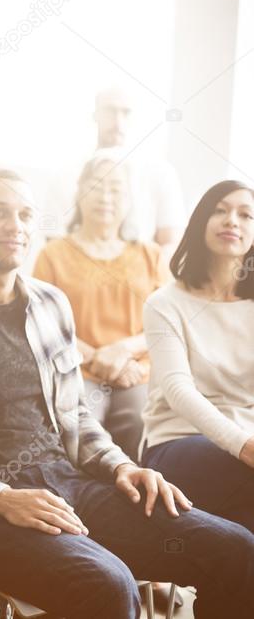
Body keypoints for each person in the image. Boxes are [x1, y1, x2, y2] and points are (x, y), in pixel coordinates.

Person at [0, 168, 254, 617]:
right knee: (108, 585)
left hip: (69, 485)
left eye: (24, 215)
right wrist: (0, 496)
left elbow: (76, 414)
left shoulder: (51, 305)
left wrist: (121, 465)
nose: (15, 226)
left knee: (237, 550)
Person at [33, 153, 169, 460]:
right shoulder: (53, 255)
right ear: (79, 193)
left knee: (139, 423)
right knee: (83, 429)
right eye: (95, 186)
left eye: (115, 189)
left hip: (136, 371)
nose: (105, 196)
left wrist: (122, 354)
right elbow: (43, 325)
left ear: (129, 199)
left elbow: (167, 324)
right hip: (75, 369)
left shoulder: (151, 255)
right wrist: (99, 358)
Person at [142, 180, 254, 533]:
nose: (231, 220)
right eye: (219, 210)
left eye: (245, 214)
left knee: (245, 534)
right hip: (176, 446)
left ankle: (222, 585)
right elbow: (178, 391)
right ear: (200, 222)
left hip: (247, 449)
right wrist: (244, 446)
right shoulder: (165, 303)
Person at [43, 87, 185, 251]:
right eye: (109, 111)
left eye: (126, 113)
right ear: (95, 115)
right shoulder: (66, 175)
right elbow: (53, 244)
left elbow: (171, 244)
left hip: (143, 274)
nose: (118, 121)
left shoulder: (161, 173)